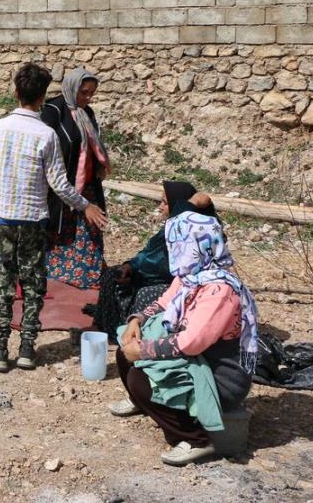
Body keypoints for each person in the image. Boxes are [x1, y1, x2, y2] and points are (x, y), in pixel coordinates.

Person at [110, 197, 259, 466]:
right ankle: (151, 406)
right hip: (198, 359)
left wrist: (143, 350)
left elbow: (192, 342)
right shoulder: (192, 275)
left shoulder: (219, 290)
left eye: (179, 244)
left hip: (220, 375)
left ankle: (197, 439)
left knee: (139, 380)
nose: (175, 250)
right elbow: (166, 300)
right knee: (125, 354)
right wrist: (136, 321)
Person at [0, 63, 108, 373]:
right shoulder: (46, 134)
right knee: (34, 282)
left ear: (16, 92)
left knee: (3, 280)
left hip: (3, 217)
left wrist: (5, 177)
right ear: (42, 98)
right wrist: (83, 205)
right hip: (34, 218)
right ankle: (26, 349)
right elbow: (60, 184)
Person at [92, 181, 214, 341]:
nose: (160, 206)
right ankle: (108, 328)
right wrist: (130, 266)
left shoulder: (192, 231)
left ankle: (135, 334)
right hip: (154, 276)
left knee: (144, 295)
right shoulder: (170, 229)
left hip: (182, 284)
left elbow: (162, 265)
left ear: (179, 204)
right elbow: (148, 253)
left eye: (165, 202)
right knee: (112, 275)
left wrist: (136, 270)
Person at [42, 66, 110, 289]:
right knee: (61, 231)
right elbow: (49, 146)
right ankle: (58, 275)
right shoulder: (53, 110)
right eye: (84, 93)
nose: (88, 98)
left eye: (91, 93)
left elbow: (93, 143)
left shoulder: (87, 113)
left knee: (90, 229)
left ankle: (88, 275)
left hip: (87, 183)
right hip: (61, 184)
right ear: (72, 88)